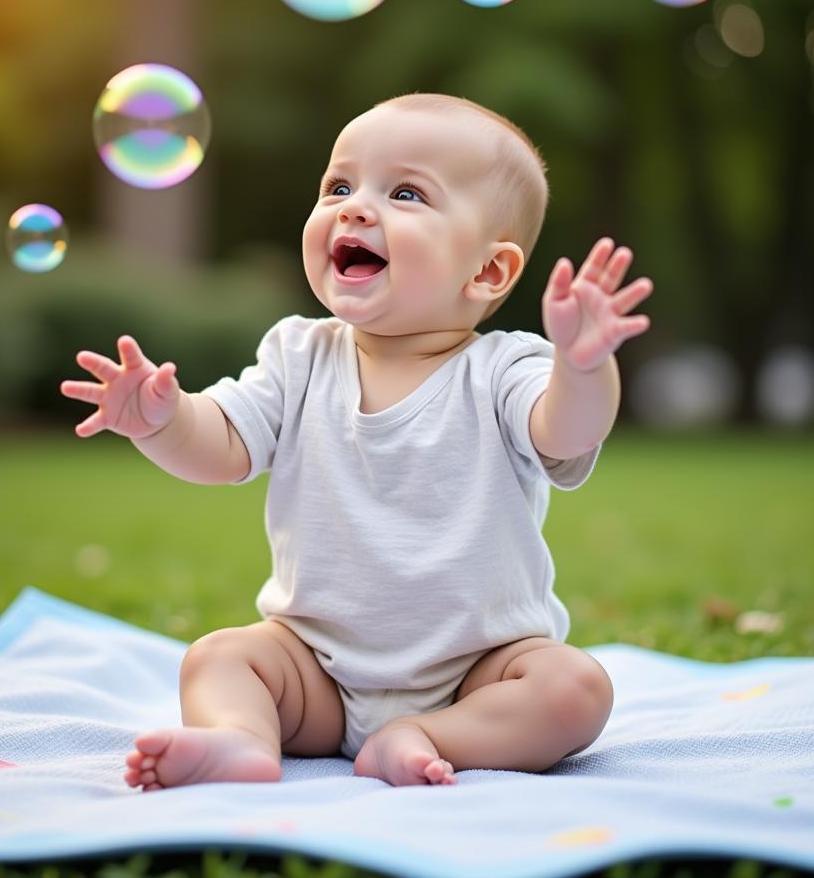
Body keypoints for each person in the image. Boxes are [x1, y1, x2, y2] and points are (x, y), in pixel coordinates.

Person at [61, 93, 653, 789]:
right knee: (217, 658)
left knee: (575, 688)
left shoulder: (503, 370)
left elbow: (566, 427)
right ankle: (240, 740)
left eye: (406, 193)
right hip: (316, 671)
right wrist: (161, 422)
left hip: (478, 672)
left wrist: (583, 366)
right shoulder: (298, 355)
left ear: (488, 271)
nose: (355, 206)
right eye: (339, 186)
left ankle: (424, 735)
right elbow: (221, 448)